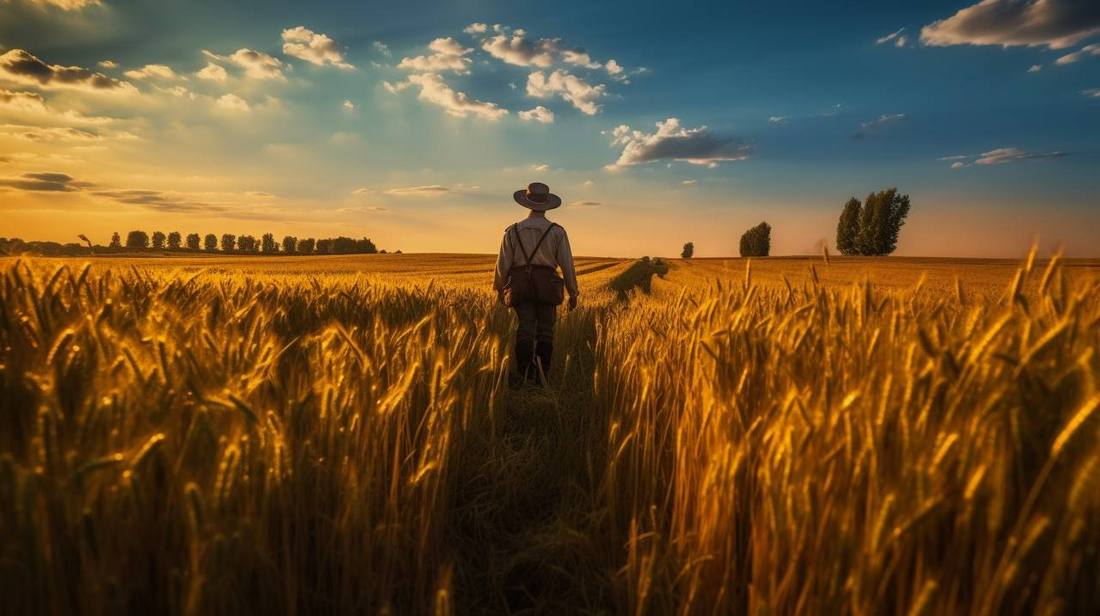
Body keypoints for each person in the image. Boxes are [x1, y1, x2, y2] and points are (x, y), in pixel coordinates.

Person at [494, 182, 579, 387]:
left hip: (520, 285)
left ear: (527, 203)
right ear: (547, 205)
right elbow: (567, 263)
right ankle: (542, 378)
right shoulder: (557, 232)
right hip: (547, 285)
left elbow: (503, 263)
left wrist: (498, 288)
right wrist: (573, 292)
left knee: (525, 329)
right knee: (546, 331)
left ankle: (524, 375)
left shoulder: (513, 230)